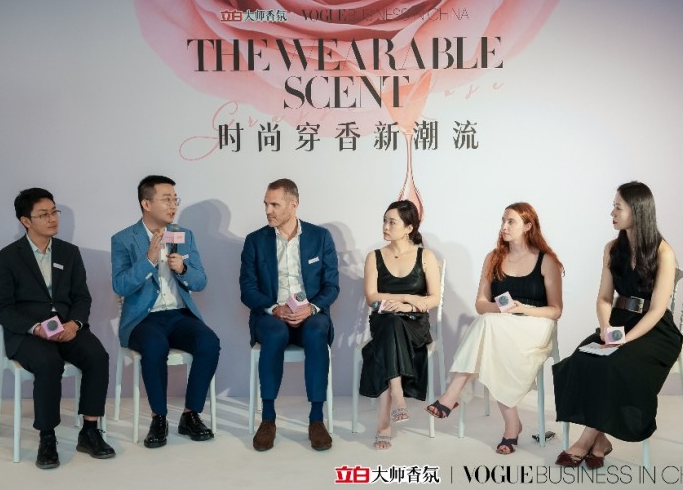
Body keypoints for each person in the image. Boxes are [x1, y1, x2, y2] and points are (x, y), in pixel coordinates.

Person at [553, 181, 682, 469]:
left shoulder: (663, 252)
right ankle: (600, 442)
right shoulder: (612, 248)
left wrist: (625, 339)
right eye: (613, 206)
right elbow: (603, 297)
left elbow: (657, 309)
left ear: (637, 211)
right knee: (582, 357)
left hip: (655, 330)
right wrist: (605, 327)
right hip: (619, 321)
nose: (612, 212)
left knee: (613, 363)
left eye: (617, 207)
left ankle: (586, 440)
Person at [0, 188, 115, 469]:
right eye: (43, 214)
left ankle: (90, 431)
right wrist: (35, 328)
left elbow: (82, 297)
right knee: (48, 363)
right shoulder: (7, 258)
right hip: (29, 333)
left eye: (54, 212)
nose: (52, 219)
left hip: (67, 327)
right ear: (26, 221)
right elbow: (2, 308)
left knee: (98, 356)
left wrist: (75, 324)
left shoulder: (69, 253)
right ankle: (47, 438)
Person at [426, 202, 563, 455]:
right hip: (501, 323)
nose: (504, 227)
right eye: (503, 221)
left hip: (535, 324)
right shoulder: (494, 258)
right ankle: (512, 424)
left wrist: (523, 309)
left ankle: (452, 394)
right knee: (490, 325)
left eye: (511, 222)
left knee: (489, 327)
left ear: (528, 226)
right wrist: (500, 309)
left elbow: (555, 310)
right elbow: (481, 304)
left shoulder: (546, 261)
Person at [111, 175, 220, 449]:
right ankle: (158, 418)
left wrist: (183, 269)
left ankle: (190, 415)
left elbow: (201, 282)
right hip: (143, 319)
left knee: (209, 342)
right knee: (155, 346)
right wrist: (148, 260)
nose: (173, 205)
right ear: (146, 204)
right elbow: (120, 285)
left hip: (180, 315)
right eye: (166, 199)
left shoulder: (184, 235)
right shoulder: (123, 239)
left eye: (175, 199)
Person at [240, 178, 339, 452]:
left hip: (311, 313)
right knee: (274, 333)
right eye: (266, 204)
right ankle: (268, 418)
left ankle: (316, 419)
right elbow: (247, 289)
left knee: (317, 330)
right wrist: (274, 308)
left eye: (274, 204)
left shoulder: (320, 237)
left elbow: (332, 286)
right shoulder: (255, 241)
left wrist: (312, 308)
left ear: (293, 204)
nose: (268, 210)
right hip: (272, 315)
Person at [358, 200, 441, 450]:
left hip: (414, 324)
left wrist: (408, 306)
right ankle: (397, 393)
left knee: (389, 333)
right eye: (384, 220)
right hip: (384, 320)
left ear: (408, 228)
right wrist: (407, 298)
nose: (385, 226)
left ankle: (384, 422)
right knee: (390, 322)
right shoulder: (374, 257)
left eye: (392, 222)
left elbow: (434, 298)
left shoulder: (425, 256)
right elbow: (372, 297)